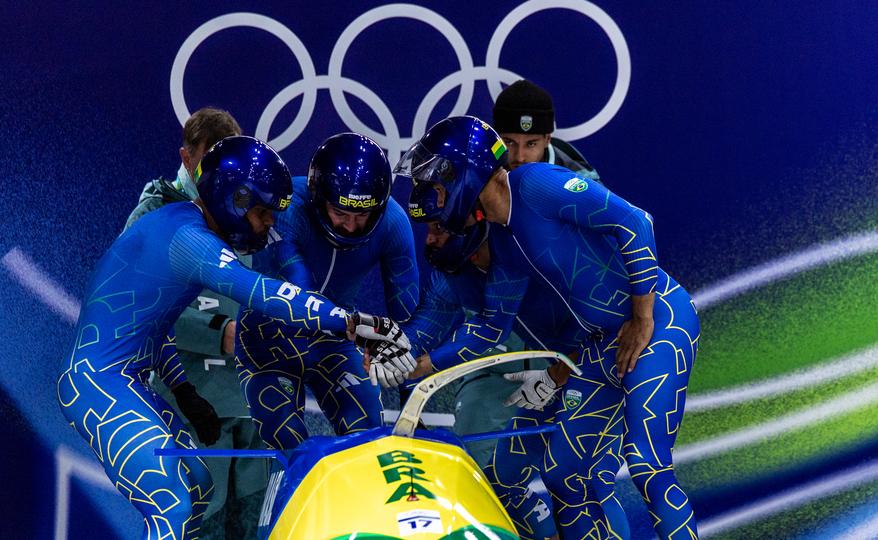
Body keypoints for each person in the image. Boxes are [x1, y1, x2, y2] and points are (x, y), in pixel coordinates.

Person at [57, 135, 410, 540]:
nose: (270, 224)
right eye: (263, 213)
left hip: (122, 377)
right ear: (235, 201)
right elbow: (264, 293)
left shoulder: (180, 224)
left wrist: (183, 389)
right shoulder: (190, 240)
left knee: (197, 486)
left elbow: (149, 325)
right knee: (171, 503)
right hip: (97, 381)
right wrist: (352, 323)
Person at [395, 116, 700, 539]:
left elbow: (636, 222)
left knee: (647, 464)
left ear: (463, 174)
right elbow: (491, 327)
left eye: (436, 185)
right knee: (562, 474)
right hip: (600, 343)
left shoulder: (536, 185)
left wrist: (642, 316)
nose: (431, 197)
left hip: (660, 319)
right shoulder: (500, 238)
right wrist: (419, 365)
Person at [391, 181, 627, 540]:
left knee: (586, 480)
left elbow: (604, 323)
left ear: (467, 222)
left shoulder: (533, 243)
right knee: (493, 479)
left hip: (590, 368)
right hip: (526, 376)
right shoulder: (452, 272)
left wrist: (560, 374)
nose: (430, 241)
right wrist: (394, 356)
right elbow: (432, 325)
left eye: (439, 228)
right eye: (428, 229)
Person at [124, 107, 266, 539]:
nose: (221, 175)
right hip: (190, 406)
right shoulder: (154, 217)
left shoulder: (249, 209)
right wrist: (219, 333)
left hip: (250, 404)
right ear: (186, 158)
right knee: (199, 525)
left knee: (260, 524)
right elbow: (137, 304)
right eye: (209, 162)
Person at [234, 132, 419, 450]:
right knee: (287, 445)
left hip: (334, 339)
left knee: (367, 439)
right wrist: (359, 327)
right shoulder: (286, 207)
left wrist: (413, 402)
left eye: (362, 215)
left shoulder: (393, 222)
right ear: (319, 199)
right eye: (341, 213)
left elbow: (407, 318)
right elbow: (299, 294)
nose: (351, 226)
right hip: (267, 338)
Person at [492, 79, 599, 179]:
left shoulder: (578, 179)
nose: (520, 157)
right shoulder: (483, 167)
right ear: (497, 138)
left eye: (531, 144)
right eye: (509, 142)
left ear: (547, 140)